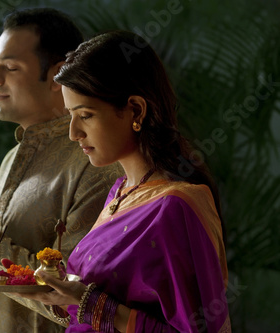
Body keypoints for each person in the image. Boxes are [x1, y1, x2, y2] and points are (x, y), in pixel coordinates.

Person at [0, 8, 123, 333]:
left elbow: (75, 300)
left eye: (10, 67)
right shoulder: (11, 158)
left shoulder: (96, 162)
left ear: (59, 75)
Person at [15, 30, 231, 332]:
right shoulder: (120, 192)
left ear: (136, 110)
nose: (73, 133)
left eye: (86, 115)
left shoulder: (176, 206)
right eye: (70, 116)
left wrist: (92, 304)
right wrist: (64, 295)